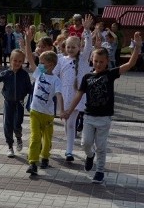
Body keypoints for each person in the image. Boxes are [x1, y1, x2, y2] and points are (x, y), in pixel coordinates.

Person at [61, 32, 142, 184]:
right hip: (89, 116)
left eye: (101, 62)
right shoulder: (87, 77)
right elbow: (78, 95)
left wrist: (137, 47)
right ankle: (89, 156)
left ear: (106, 62)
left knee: (101, 146)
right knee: (85, 143)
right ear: (92, 60)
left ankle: (99, 171)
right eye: (96, 61)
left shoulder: (110, 74)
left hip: (104, 117)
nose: (98, 64)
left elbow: (130, 64)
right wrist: (68, 111)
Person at [52, 14, 94, 162]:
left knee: (70, 123)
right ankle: (70, 145)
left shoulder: (83, 58)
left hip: (77, 96)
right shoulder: (62, 60)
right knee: (66, 122)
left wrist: (87, 31)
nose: (70, 49)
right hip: (64, 96)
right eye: (68, 47)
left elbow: (89, 46)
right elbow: (54, 74)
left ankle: (69, 151)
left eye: (73, 47)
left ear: (79, 47)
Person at [24, 50, 64, 175]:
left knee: (47, 138)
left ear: (51, 64)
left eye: (42, 63)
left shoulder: (56, 80)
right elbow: (30, 58)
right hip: (35, 111)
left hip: (47, 115)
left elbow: (59, 95)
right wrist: (27, 40)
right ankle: (33, 162)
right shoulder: (39, 73)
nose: (39, 65)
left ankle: (45, 157)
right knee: (35, 137)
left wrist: (61, 110)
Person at [0, 50, 33, 158]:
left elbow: (29, 89)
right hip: (8, 102)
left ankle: (18, 138)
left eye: (20, 61)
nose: (17, 63)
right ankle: (10, 146)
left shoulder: (24, 75)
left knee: (17, 124)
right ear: (10, 60)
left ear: (23, 62)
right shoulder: (6, 73)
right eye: (15, 60)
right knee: (7, 124)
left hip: (20, 103)